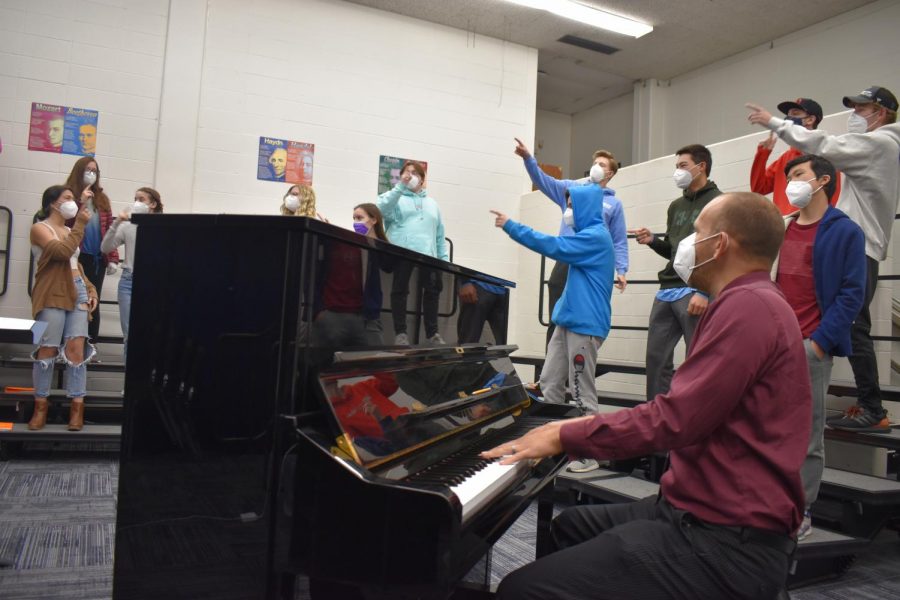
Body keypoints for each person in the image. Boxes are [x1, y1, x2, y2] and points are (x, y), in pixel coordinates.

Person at [483, 192, 810, 600]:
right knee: (568, 528)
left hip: (726, 538)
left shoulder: (749, 306)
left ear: (721, 244)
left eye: (697, 233)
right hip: (690, 508)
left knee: (520, 589)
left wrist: (563, 435)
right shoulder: (749, 300)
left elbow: (676, 419)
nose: (688, 244)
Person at [747, 85, 900, 431]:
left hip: (857, 245)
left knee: (854, 324)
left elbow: (825, 146)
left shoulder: (880, 144)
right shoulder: (879, 147)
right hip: (852, 242)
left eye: (862, 109)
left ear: (882, 113)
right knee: (845, 320)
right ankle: (864, 402)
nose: (855, 116)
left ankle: (873, 408)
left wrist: (775, 122)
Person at [772, 154, 865, 540]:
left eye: (798, 174)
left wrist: (820, 344)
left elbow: (852, 294)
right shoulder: (781, 228)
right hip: (772, 348)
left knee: (807, 438)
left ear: (822, 180)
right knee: (767, 431)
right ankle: (768, 505)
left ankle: (801, 510)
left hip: (811, 349)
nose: (791, 182)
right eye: (789, 176)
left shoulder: (845, 231)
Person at [491, 184, 614, 472]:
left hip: (585, 325)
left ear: (585, 207)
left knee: (582, 391)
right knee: (549, 385)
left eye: (572, 205)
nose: (568, 211)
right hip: (567, 322)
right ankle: (551, 448)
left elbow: (551, 245)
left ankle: (589, 454)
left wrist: (511, 226)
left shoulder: (595, 238)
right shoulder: (586, 235)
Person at [513, 138, 628, 349]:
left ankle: (574, 369)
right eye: (595, 162)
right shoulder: (572, 189)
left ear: (610, 174)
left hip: (591, 265)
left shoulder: (614, 203)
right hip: (566, 259)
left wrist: (621, 269)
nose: (596, 167)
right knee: (557, 315)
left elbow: (619, 239)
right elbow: (543, 180)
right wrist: (529, 159)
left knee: (582, 314)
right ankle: (549, 372)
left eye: (602, 165)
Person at [629, 144, 721, 401]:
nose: (677, 172)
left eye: (683, 166)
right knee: (656, 360)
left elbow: (717, 250)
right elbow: (673, 251)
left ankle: (696, 419)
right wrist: (653, 241)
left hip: (696, 290)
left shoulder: (718, 201)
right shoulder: (675, 206)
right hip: (667, 289)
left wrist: (704, 290)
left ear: (701, 166)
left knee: (699, 359)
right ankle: (658, 422)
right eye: (677, 167)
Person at [29, 185, 100, 432]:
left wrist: (90, 288)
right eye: (67, 198)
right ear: (53, 203)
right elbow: (61, 252)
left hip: (77, 287)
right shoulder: (40, 228)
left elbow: (74, 263)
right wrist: (81, 222)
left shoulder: (70, 229)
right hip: (50, 291)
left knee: (76, 349)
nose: (72, 202)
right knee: (46, 349)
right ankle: (40, 407)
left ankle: (77, 408)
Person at [376, 160, 449, 345]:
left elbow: (439, 234)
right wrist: (400, 186)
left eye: (415, 173)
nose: (411, 176)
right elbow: (380, 209)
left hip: (428, 254)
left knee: (433, 291)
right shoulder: (396, 197)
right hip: (402, 251)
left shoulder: (432, 203)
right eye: (407, 173)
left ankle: (432, 334)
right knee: (399, 290)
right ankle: (401, 333)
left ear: (422, 179)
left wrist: (444, 260)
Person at [312, 203, 391, 347]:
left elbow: (389, 265)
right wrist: (319, 311)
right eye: (354, 218)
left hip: (367, 318)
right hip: (333, 315)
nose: (356, 222)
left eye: (360, 218)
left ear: (374, 220)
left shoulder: (374, 248)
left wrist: (372, 237)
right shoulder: (344, 241)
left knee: (374, 363)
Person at [100, 187, 164, 363]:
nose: (136, 202)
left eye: (141, 199)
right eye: (135, 198)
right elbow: (105, 248)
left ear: (152, 204)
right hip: (129, 280)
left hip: (153, 282)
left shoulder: (163, 227)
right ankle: (129, 384)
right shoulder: (128, 226)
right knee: (130, 334)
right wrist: (116, 223)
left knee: (151, 333)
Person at [62, 156, 119, 342]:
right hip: (75, 258)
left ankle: (91, 345)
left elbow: (110, 229)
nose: (91, 174)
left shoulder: (102, 199)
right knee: (71, 301)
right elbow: (65, 223)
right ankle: (67, 343)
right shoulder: (67, 195)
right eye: (88, 169)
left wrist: (112, 257)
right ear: (79, 171)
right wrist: (80, 202)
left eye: (95, 171)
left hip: (96, 260)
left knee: (94, 301)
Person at [750, 97, 841, 215]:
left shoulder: (824, 153)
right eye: (787, 114)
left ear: (810, 120)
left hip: (818, 225)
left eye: (795, 114)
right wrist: (762, 154)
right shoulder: (785, 158)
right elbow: (758, 188)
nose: (788, 118)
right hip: (787, 227)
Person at [457, 278, 508, 345]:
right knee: (468, 343)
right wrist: (466, 282)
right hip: (479, 284)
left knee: (507, 345)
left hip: (507, 290)